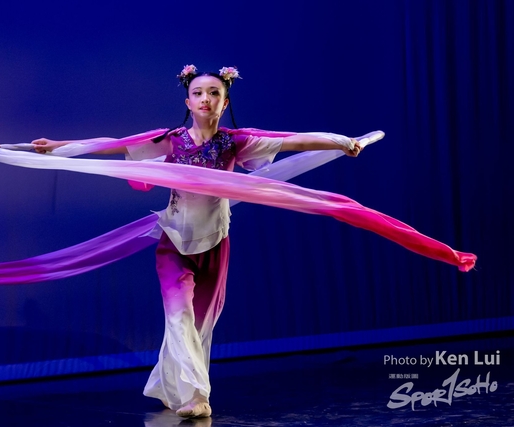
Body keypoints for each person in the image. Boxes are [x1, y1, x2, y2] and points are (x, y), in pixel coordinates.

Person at [30, 65, 363, 418]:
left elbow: (294, 141)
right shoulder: (171, 139)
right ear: (188, 102)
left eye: (214, 93)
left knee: (201, 324)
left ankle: (170, 387)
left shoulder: (235, 142)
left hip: (215, 243)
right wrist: (58, 147)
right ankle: (197, 396)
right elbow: (112, 145)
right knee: (179, 319)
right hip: (174, 243)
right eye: (198, 93)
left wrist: (340, 142)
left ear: (225, 102)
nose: (206, 98)